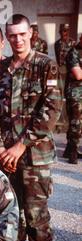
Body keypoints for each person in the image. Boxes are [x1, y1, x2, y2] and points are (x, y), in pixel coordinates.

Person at [0, 14, 63, 241]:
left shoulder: (46, 65)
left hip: (34, 155)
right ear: (8, 37)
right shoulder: (1, 69)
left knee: (35, 213)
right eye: (13, 35)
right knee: (9, 208)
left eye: (22, 34)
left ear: (31, 33)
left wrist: (20, 146)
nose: (17, 39)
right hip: (6, 155)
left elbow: (51, 111)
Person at [63, 33, 82, 164]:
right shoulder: (73, 52)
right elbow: (78, 74)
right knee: (76, 123)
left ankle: (69, 149)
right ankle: (73, 152)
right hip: (75, 94)